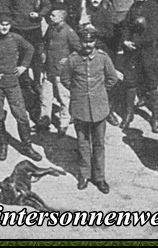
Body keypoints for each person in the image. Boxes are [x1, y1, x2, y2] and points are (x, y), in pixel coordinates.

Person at [0, 11, 42, 162]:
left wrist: (24, 66)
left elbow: (30, 49)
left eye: (7, 25)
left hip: (13, 84)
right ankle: (2, 144)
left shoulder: (15, 38)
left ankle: (27, 146)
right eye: (1, 25)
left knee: (21, 116)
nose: (4, 27)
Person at [60, 25, 119, 192]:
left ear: (95, 41)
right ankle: (84, 175)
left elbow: (112, 78)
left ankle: (99, 177)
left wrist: (99, 91)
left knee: (99, 144)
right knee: (83, 143)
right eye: (84, 42)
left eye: (91, 41)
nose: (88, 45)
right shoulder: (73, 59)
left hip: (99, 108)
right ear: (80, 42)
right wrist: (78, 91)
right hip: (80, 108)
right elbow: (65, 79)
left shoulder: (103, 58)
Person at [120, 0, 158, 132]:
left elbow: (154, 33)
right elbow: (125, 25)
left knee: (151, 83)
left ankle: (155, 117)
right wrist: (125, 40)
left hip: (147, 51)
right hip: (132, 51)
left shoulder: (154, 8)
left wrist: (137, 43)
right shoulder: (134, 7)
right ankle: (128, 114)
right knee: (130, 82)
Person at [38, 4, 80, 134]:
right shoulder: (51, 28)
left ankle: (64, 122)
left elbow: (79, 49)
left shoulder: (68, 31)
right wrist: (42, 53)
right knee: (45, 97)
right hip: (48, 68)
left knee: (64, 98)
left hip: (61, 71)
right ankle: (45, 119)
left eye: (53, 15)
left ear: (62, 16)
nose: (50, 17)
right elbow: (43, 42)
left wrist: (69, 60)